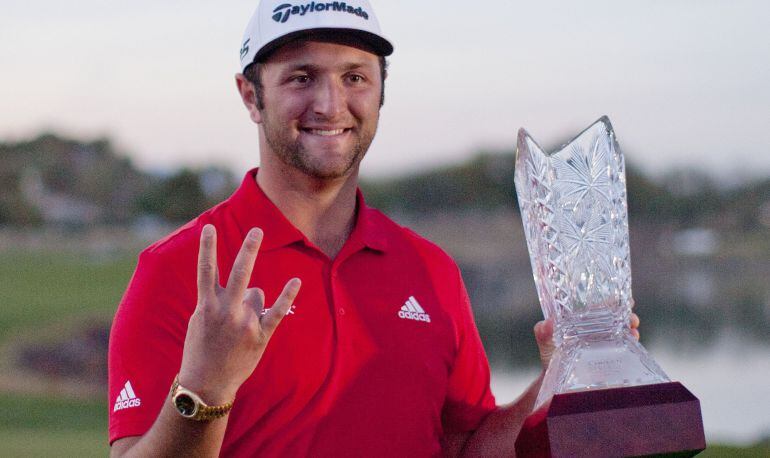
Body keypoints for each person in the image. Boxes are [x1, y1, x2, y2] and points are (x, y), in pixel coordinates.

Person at [108, 1, 640, 456]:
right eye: (301, 77)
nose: (330, 104)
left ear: (381, 91)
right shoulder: (179, 268)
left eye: (355, 77)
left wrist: (557, 381)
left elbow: (468, 448)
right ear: (251, 95)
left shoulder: (430, 269)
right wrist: (206, 387)